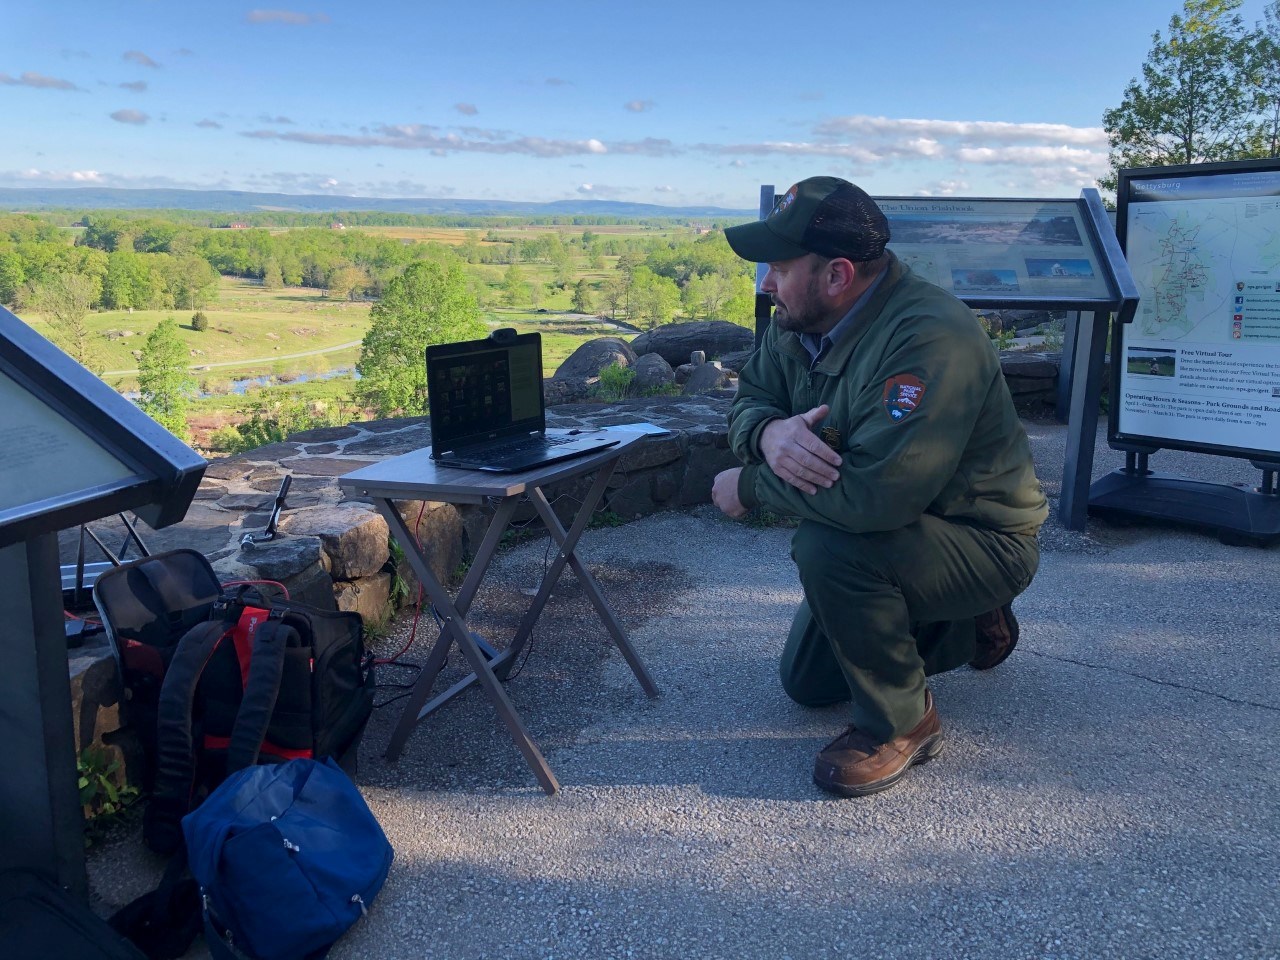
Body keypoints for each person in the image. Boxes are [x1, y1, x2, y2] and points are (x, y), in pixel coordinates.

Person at [711, 176, 1047, 798]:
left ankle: (902, 722)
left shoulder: (929, 337)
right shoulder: (800, 322)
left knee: (829, 548)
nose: (765, 283)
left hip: (981, 538)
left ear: (837, 274)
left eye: (778, 267)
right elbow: (753, 396)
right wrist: (767, 436)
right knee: (806, 683)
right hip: (904, 532)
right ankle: (965, 624)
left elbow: (875, 497)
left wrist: (750, 486)